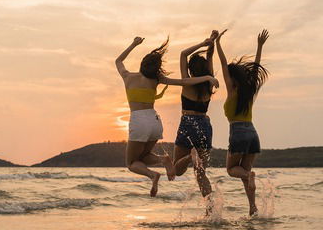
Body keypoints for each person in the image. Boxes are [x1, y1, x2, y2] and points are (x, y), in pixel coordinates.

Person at [115, 36, 219, 197]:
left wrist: (134, 44)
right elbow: (186, 77)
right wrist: (211, 46)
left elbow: (118, 61)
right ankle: (210, 210)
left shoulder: (128, 77)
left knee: (132, 163)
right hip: (168, 122)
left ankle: (155, 173)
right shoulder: (160, 80)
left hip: (155, 122)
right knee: (200, 173)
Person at [216, 29, 269, 215]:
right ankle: (252, 208)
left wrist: (217, 42)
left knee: (231, 169)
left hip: (237, 132)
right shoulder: (249, 93)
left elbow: (223, 64)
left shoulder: (232, 91)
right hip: (253, 134)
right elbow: (255, 69)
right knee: (245, 177)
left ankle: (249, 175)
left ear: (232, 78)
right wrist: (260, 46)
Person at [173, 31, 218, 205]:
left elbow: (183, 54)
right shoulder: (209, 82)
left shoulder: (187, 82)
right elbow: (210, 55)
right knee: (201, 174)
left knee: (177, 169)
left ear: (191, 70)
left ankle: (189, 157)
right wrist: (212, 42)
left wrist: (203, 42)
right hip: (205, 126)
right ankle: (210, 208)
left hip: (188, 123)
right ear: (206, 69)